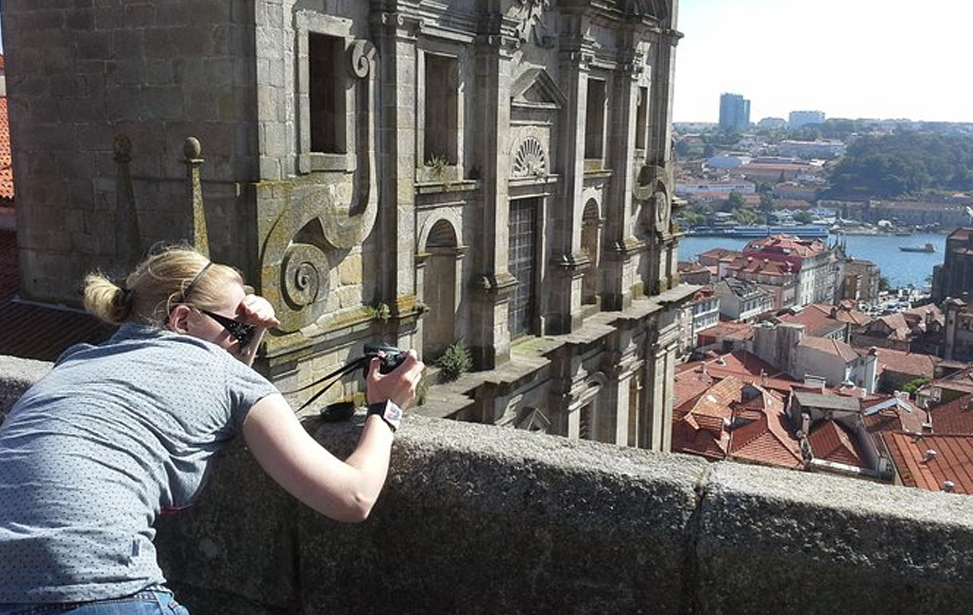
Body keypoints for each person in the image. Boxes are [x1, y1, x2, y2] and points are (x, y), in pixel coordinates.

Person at [0, 245, 424, 614]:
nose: (246, 344)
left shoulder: (76, 360)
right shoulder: (227, 376)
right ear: (182, 319)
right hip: (97, 587)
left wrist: (245, 335)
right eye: (238, 330)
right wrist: (386, 409)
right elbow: (352, 497)